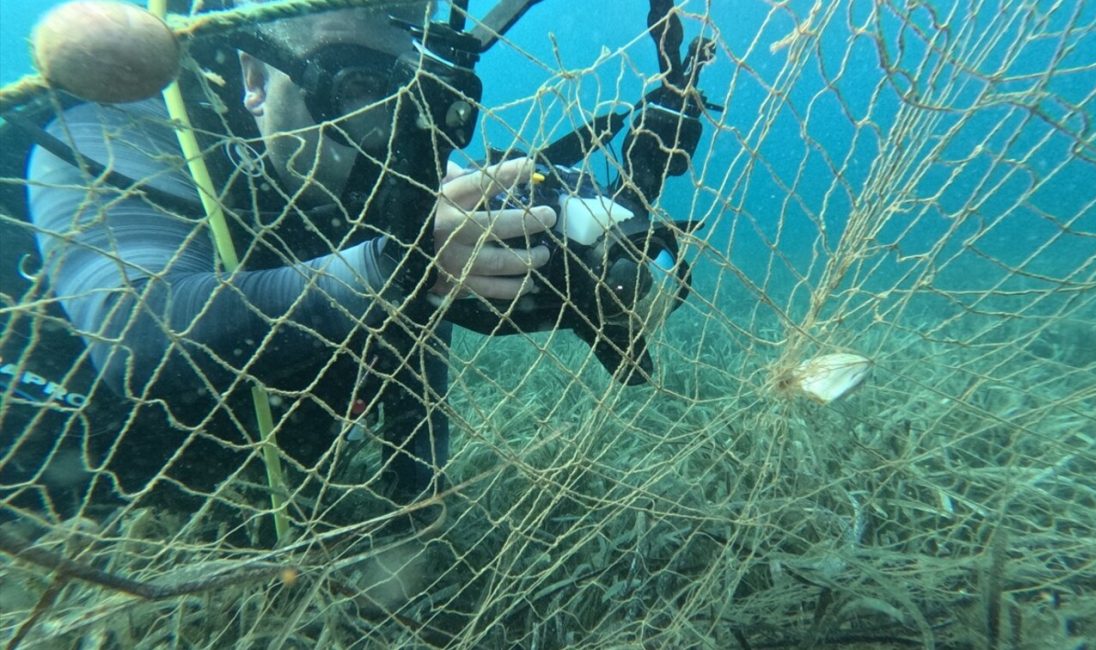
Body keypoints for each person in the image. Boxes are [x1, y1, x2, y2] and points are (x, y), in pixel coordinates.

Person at [2, 0, 711, 535]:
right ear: (254, 75)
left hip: (269, 482)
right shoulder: (121, 128)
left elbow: (421, 320)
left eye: (424, 98)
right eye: (363, 87)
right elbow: (138, 338)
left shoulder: (390, 150)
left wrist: (587, 246)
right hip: (63, 487)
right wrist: (391, 269)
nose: (398, 135)